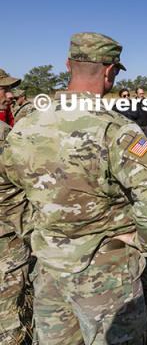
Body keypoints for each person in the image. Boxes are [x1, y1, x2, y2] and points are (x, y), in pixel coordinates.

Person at [0, 32, 147, 345]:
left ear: (68, 64)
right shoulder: (116, 127)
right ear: (109, 72)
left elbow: (4, 188)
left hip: (49, 268)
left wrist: (31, 228)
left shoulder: (25, 125)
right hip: (104, 273)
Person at [0, 70, 32, 344]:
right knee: (8, 321)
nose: (9, 95)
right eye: (3, 90)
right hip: (6, 237)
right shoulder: (4, 136)